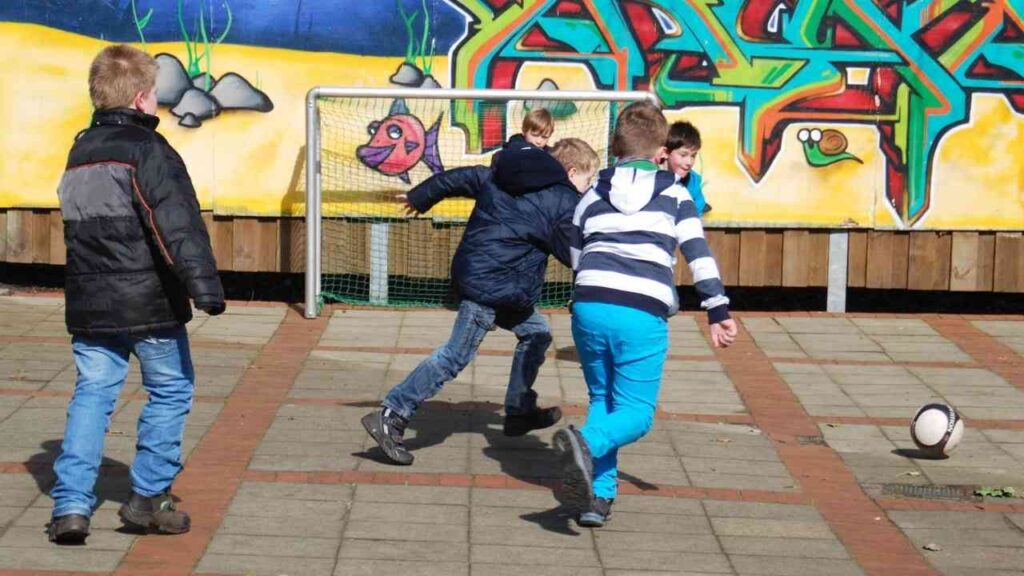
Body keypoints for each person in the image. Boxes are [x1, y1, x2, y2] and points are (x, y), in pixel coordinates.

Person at [48, 44, 225, 544]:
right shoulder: (151, 151)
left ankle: (70, 507)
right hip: (149, 303)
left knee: (93, 393)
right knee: (170, 389)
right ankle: (149, 497)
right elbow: (176, 225)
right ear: (146, 98)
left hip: (90, 302)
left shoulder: (79, 150)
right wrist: (205, 287)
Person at [553, 102, 737, 527]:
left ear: (616, 146)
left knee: (604, 399)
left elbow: (576, 254)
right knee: (636, 413)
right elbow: (698, 255)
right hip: (641, 310)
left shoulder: (592, 194)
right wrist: (717, 310)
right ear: (660, 150)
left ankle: (597, 498)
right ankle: (584, 442)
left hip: (590, 305)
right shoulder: (676, 194)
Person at [362, 137, 599, 465]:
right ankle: (392, 414)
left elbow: (459, 178)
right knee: (455, 356)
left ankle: (519, 409)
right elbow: (571, 253)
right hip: (493, 286)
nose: (587, 189)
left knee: (536, 334)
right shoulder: (562, 200)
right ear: (572, 172)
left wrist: (421, 196)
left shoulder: (504, 173)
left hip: (487, 277)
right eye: (588, 181)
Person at [661, 120, 710, 215]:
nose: (689, 162)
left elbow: (696, 214)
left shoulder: (693, 181)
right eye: (683, 155)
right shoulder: (651, 178)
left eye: (693, 156)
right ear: (666, 153)